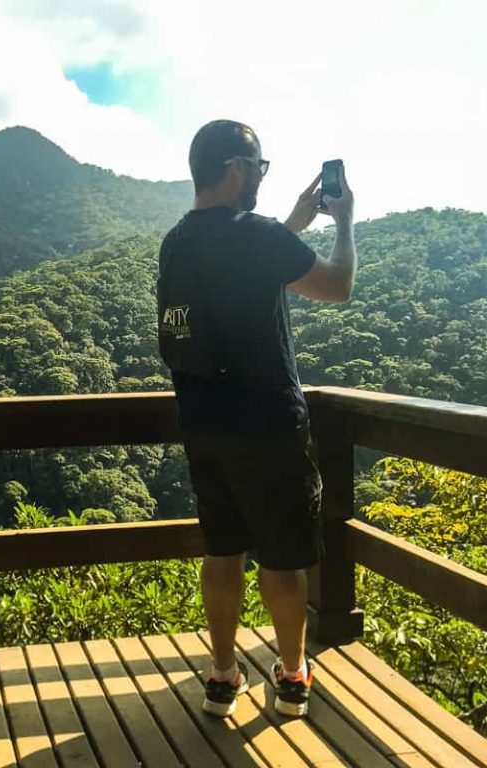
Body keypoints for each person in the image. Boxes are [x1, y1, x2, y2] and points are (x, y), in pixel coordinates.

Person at [157, 119, 357, 718]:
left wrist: (291, 225)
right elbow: (337, 285)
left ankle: (222, 677)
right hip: (268, 423)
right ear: (238, 168)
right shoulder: (259, 236)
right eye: (260, 168)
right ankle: (293, 676)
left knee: (222, 552)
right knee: (281, 558)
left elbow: (240, 267)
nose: (261, 180)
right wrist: (343, 221)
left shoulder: (179, 239)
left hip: (203, 422)